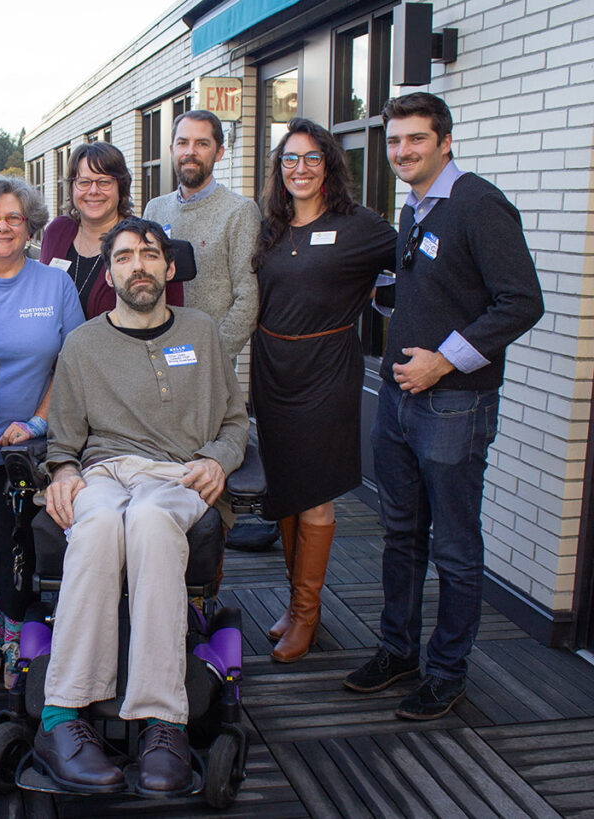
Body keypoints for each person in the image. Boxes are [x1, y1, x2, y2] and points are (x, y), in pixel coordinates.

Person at [344, 92, 543, 719]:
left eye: (416, 140)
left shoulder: (478, 205)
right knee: (401, 534)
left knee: (454, 546)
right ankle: (398, 650)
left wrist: (444, 359)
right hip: (403, 402)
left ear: (445, 141)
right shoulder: (414, 207)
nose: (402, 152)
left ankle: (447, 670)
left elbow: (521, 302)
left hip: (454, 403)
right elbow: (433, 286)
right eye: (395, 141)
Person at [33, 217, 248, 796]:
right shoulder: (82, 344)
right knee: (96, 521)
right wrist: (62, 470)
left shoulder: (201, 333)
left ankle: (162, 722)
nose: (138, 266)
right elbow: (64, 438)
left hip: (177, 474)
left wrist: (217, 460)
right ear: (110, 271)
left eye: (149, 255)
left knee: (151, 522)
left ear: (169, 267)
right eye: (124, 257)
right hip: (104, 470)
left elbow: (234, 421)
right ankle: (60, 719)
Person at [250, 119, 397, 663]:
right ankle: (293, 604)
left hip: (327, 369)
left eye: (313, 158)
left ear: (329, 165)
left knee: (316, 491)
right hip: (273, 369)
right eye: (290, 159)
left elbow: (413, 273)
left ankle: (308, 616)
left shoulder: (361, 227)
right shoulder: (270, 225)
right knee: (286, 485)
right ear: (279, 169)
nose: (301, 169)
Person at [0, 175, 85, 688]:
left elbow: (72, 364)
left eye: (12, 218)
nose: (2, 227)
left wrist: (37, 422)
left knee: (20, 543)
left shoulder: (54, 283)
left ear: (29, 225)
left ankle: (15, 634)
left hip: (26, 449)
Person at [143, 109, 260, 360]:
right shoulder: (155, 209)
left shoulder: (240, 212)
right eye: (183, 142)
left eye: (202, 144)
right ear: (172, 149)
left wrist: (212, 357)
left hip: (210, 363)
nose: (190, 152)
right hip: (157, 355)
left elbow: (248, 298)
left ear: (219, 152)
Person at [40, 141, 183, 318]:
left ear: (120, 187)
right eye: (84, 182)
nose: (93, 191)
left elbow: (171, 313)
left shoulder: (145, 238)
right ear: (71, 187)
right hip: (60, 346)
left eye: (104, 182)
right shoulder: (57, 231)